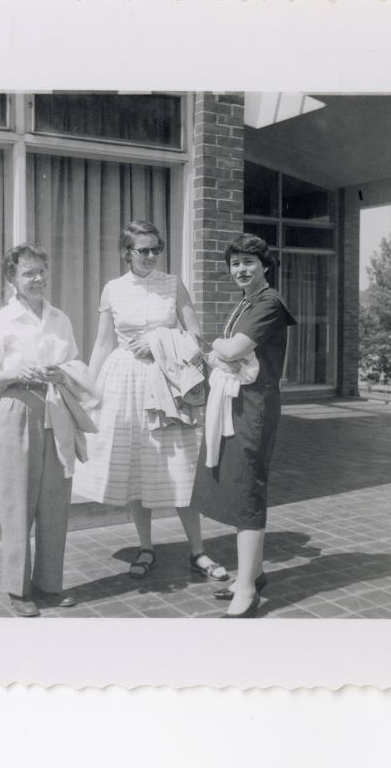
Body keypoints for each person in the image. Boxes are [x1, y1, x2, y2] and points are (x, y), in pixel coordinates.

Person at [73, 220, 228, 582]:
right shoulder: (112, 289)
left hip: (167, 382)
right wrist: (89, 391)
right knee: (136, 466)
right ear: (126, 251)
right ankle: (146, 547)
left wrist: (158, 338)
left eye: (156, 249)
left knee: (181, 467)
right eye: (143, 250)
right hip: (124, 382)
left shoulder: (173, 284)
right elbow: (103, 343)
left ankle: (198, 551)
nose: (151, 256)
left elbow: (195, 334)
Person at [0, 245, 89, 617]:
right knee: (17, 500)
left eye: (41, 272)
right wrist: (14, 373)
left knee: (54, 500)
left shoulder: (59, 318)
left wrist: (61, 373)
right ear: (12, 280)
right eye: (28, 274)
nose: (37, 280)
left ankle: (49, 584)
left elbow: (75, 363)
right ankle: (18, 590)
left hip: (56, 408)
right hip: (16, 409)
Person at [190, 234, 297, 618]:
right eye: (235, 263)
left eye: (248, 262)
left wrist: (220, 345)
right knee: (238, 487)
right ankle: (255, 572)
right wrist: (223, 348)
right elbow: (228, 351)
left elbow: (232, 351)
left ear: (265, 265)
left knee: (247, 488)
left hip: (255, 407)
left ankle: (247, 589)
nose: (241, 269)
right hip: (239, 402)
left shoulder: (269, 303)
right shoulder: (248, 302)